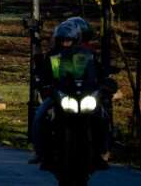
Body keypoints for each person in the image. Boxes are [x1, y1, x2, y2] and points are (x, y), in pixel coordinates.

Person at [30, 16, 109, 168]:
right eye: (63, 40)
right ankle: (40, 152)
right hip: (60, 95)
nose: (66, 43)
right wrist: (41, 82)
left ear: (76, 39)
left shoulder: (87, 55)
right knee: (40, 115)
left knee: (102, 115)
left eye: (69, 40)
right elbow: (43, 73)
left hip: (83, 95)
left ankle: (103, 152)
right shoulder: (53, 56)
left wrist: (105, 83)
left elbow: (96, 73)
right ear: (58, 40)